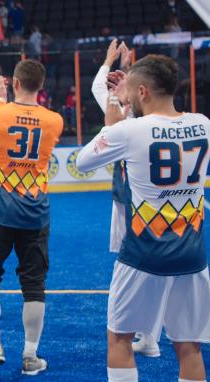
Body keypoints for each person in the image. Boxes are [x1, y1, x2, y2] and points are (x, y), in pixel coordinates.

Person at [76, 54, 210, 382]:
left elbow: (82, 161)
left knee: (119, 338)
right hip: (192, 254)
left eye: (132, 90)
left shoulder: (128, 130)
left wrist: (114, 109)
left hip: (142, 253)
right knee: (189, 347)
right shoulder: (204, 123)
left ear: (144, 91)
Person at [0, 59, 64, 375]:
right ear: (41, 86)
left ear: (14, 83)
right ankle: (30, 355)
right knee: (34, 284)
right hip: (35, 214)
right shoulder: (54, 120)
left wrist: (0, 101)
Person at [91, 39, 162, 359]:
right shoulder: (143, 119)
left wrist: (110, 61)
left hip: (131, 203)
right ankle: (149, 335)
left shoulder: (122, 122)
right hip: (143, 203)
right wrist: (126, 66)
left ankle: (139, 334)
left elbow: (98, 86)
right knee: (146, 268)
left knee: (134, 267)